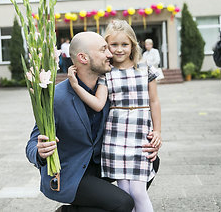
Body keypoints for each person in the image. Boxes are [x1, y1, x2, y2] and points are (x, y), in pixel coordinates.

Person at [26, 31, 160, 212]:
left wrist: (151, 137)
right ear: (83, 58)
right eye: (104, 49)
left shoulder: (108, 87)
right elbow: (32, 144)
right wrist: (40, 152)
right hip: (70, 173)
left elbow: (136, 114)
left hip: (100, 166)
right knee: (123, 203)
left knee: (151, 161)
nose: (110, 54)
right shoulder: (56, 97)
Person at [68, 20, 162, 212]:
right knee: (125, 193)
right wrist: (76, 86)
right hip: (116, 137)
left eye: (125, 44)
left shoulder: (145, 70)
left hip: (139, 135)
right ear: (107, 46)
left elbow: (154, 102)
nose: (119, 49)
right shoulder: (106, 74)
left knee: (138, 191)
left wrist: (158, 130)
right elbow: (98, 103)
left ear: (133, 45)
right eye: (114, 45)